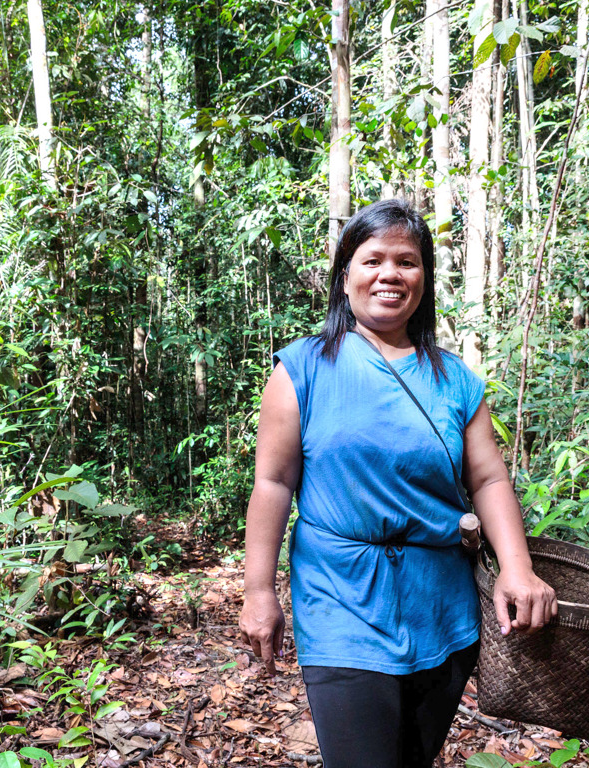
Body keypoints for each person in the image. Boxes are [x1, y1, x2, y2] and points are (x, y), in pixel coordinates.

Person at [238, 199, 558, 768]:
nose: (390, 274)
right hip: (340, 597)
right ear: (345, 278)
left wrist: (517, 567)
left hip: (441, 606)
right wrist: (259, 591)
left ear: (424, 279)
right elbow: (273, 483)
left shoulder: (455, 378)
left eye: (407, 262)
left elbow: (487, 478)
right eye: (373, 260)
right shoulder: (302, 368)